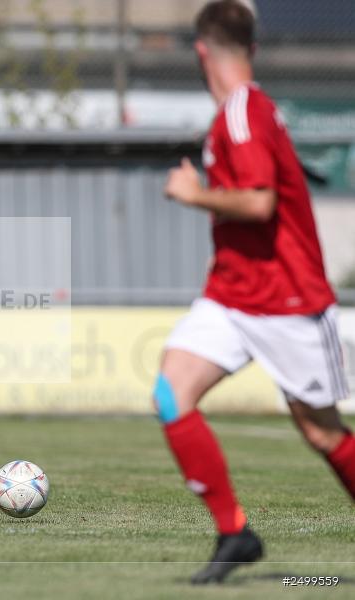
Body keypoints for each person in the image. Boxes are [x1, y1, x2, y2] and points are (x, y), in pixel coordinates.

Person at [159, 0, 353, 584]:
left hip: (287, 301)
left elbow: (260, 201)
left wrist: (194, 196)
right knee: (172, 393)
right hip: (231, 296)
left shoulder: (242, 112)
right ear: (253, 48)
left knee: (320, 430)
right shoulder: (237, 113)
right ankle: (235, 532)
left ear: (201, 51)